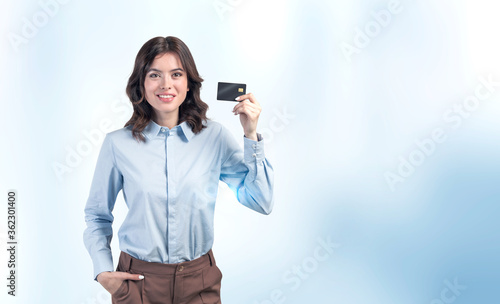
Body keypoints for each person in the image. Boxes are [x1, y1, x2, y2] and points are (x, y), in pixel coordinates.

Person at [83, 36, 274, 304]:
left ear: (188, 84)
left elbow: (261, 200)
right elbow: (97, 215)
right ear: (141, 84)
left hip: (200, 283)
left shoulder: (214, 137)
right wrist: (102, 270)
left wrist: (251, 135)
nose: (166, 84)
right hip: (138, 285)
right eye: (154, 75)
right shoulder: (117, 144)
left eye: (176, 74)